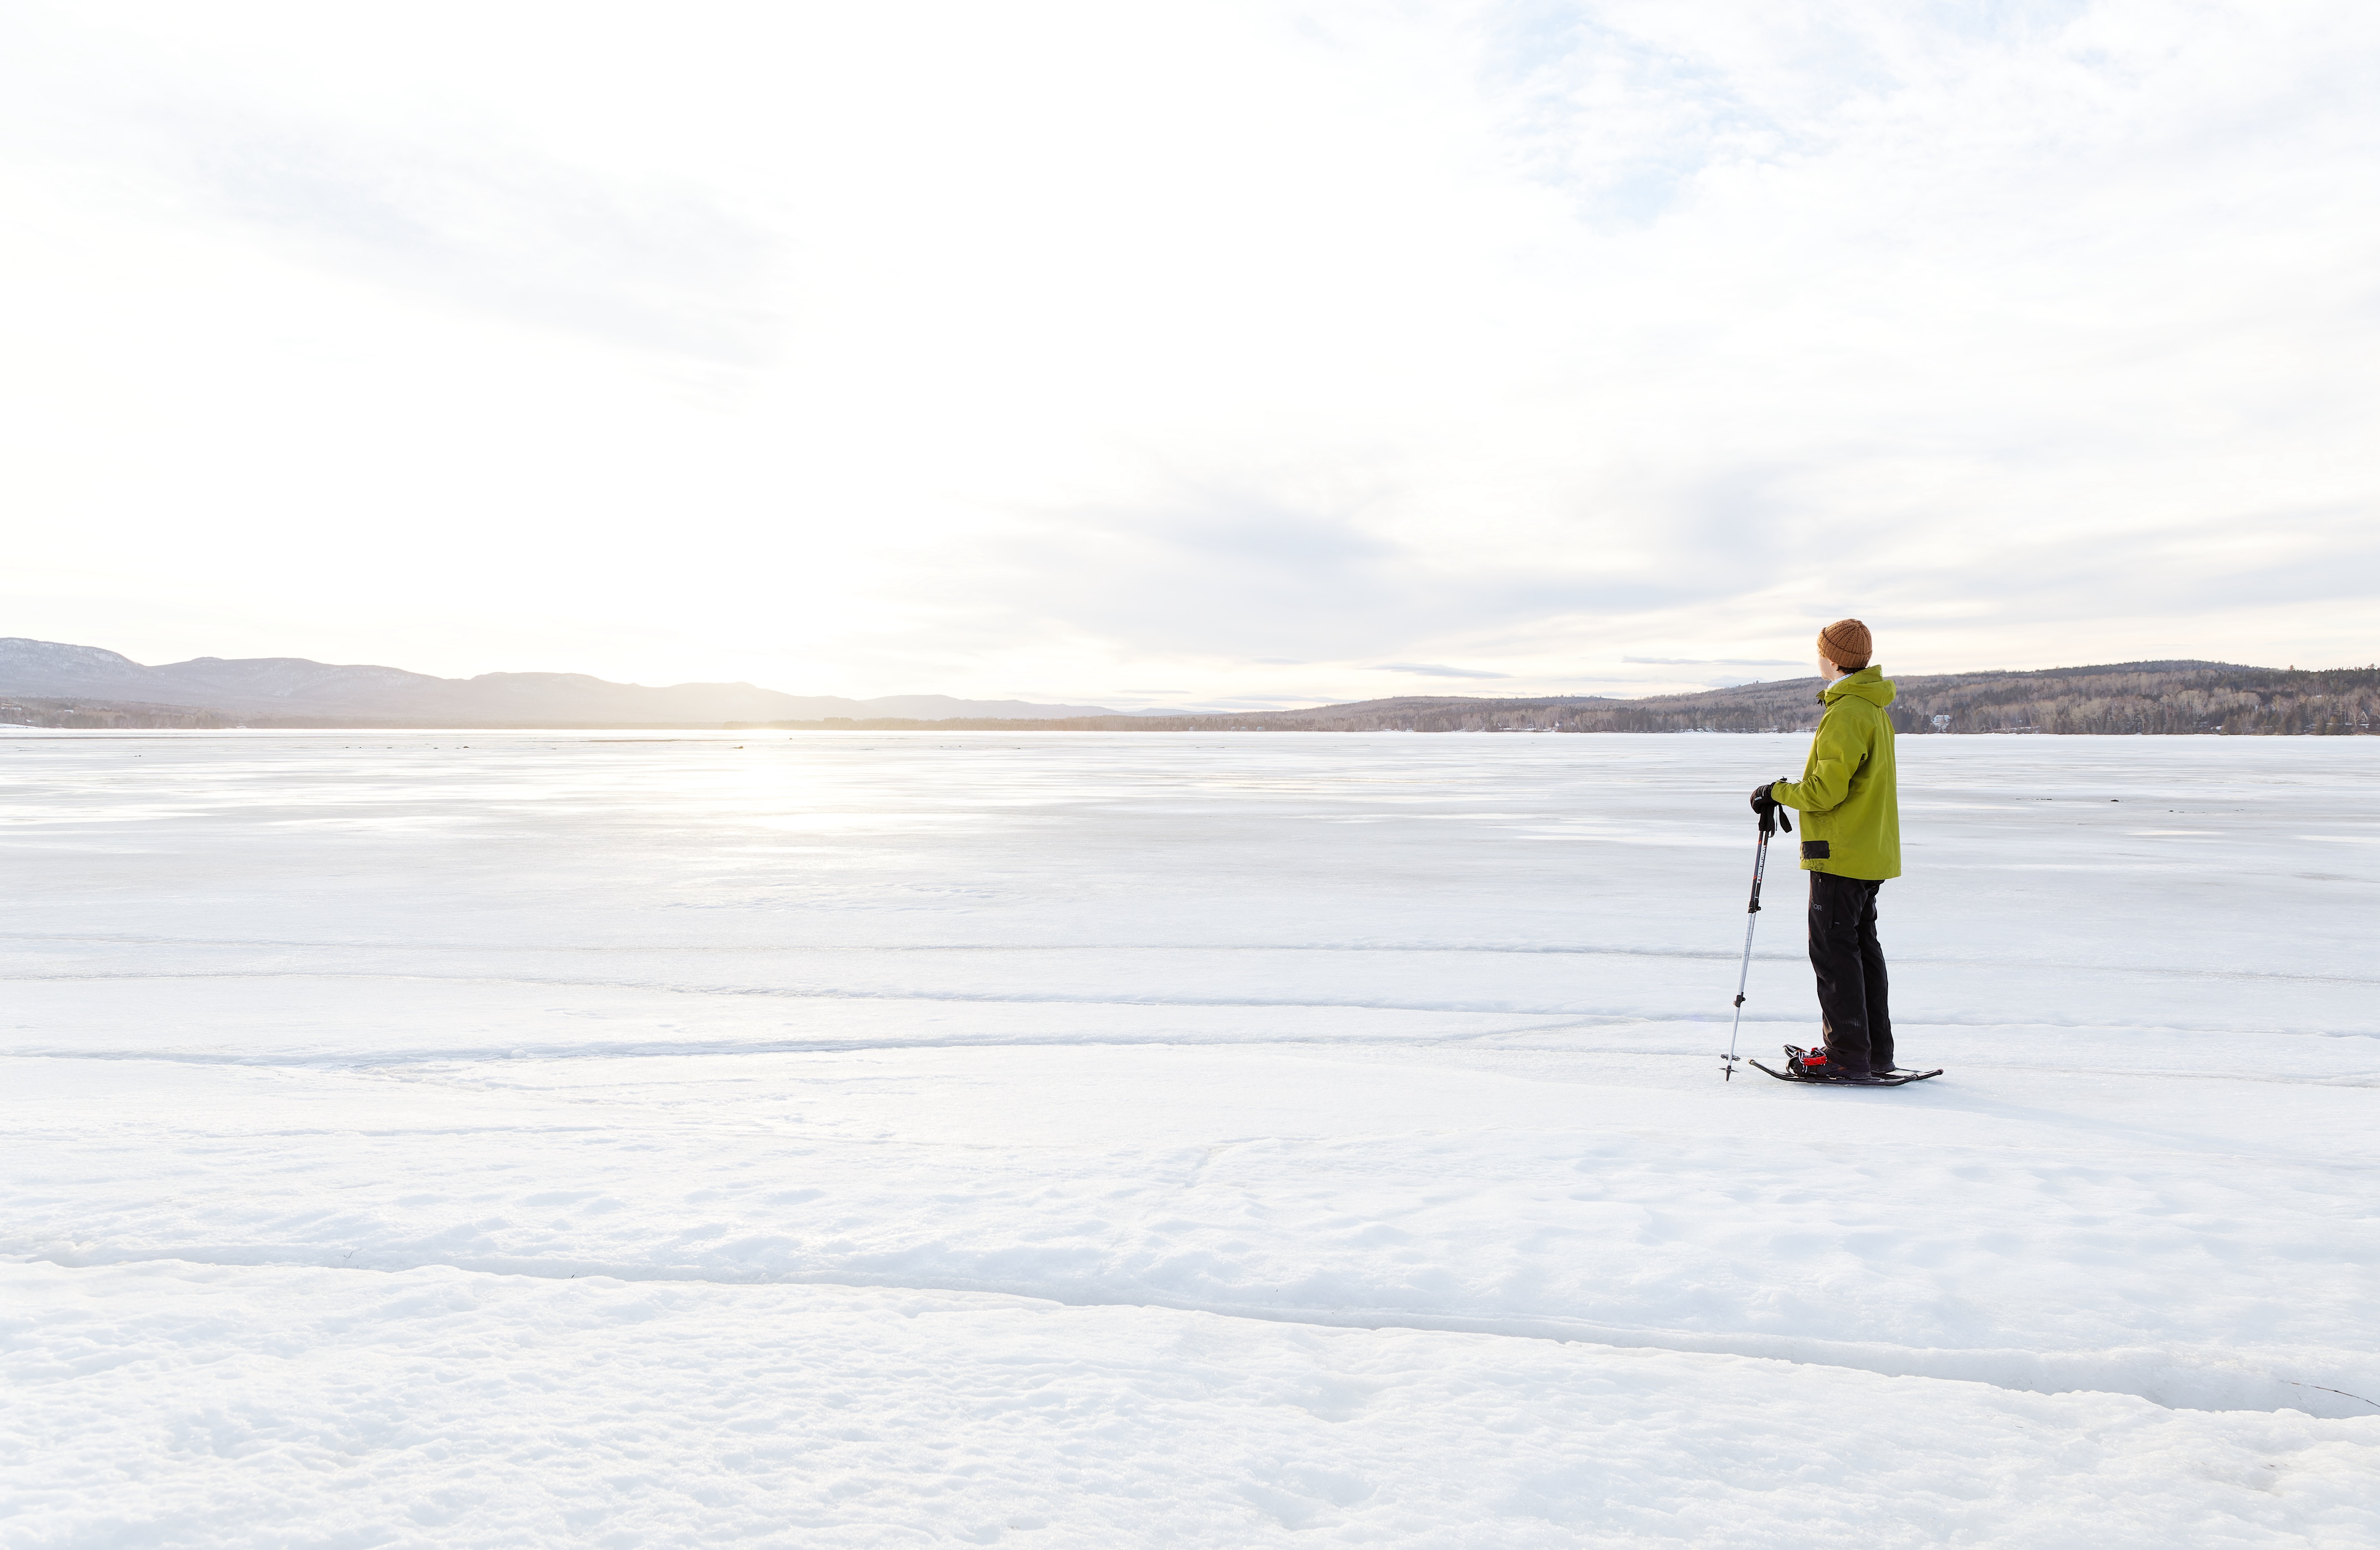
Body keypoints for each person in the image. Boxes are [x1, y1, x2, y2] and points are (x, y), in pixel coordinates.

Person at [1750, 619, 1902, 1084]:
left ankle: (1847, 1054)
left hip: (1840, 852)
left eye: (1820, 651)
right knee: (1860, 949)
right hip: (1868, 850)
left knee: (1835, 953)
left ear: (1833, 659)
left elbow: (1824, 792)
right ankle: (1871, 1052)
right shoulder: (1871, 708)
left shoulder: (1848, 712)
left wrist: (1775, 792)